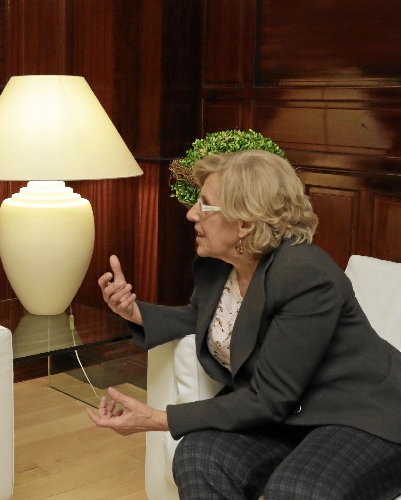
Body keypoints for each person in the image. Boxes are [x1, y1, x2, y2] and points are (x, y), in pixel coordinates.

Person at [88, 149, 401, 498]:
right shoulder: (219, 266)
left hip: (361, 414)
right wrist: (135, 313)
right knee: (199, 456)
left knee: (297, 490)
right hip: (286, 418)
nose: (191, 214)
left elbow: (268, 398)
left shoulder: (305, 275)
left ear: (245, 223)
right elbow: (203, 319)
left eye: (205, 205)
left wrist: (158, 418)